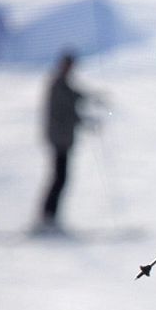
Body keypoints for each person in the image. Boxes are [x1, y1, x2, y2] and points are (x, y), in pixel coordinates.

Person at [36, 50, 98, 233]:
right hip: (59, 139)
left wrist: (92, 98)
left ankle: (49, 216)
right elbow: (66, 110)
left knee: (60, 177)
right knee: (59, 177)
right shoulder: (58, 84)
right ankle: (47, 216)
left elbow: (74, 96)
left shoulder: (63, 84)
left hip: (63, 138)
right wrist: (85, 120)